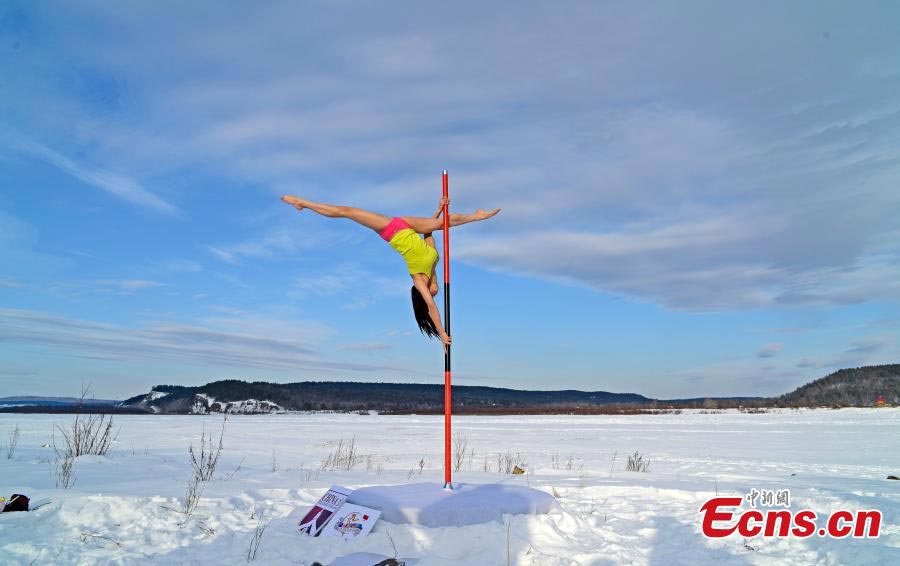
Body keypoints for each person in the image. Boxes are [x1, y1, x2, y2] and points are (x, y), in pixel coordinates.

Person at [281, 195, 500, 346]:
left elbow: (432, 309)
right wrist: (440, 208)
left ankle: (302, 203)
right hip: (409, 225)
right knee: (444, 223)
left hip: (393, 230)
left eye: (432, 295)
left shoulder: (418, 281)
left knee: (346, 211)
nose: (436, 293)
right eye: (435, 293)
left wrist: (442, 334)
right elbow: (430, 231)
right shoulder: (433, 264)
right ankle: (478, 215)